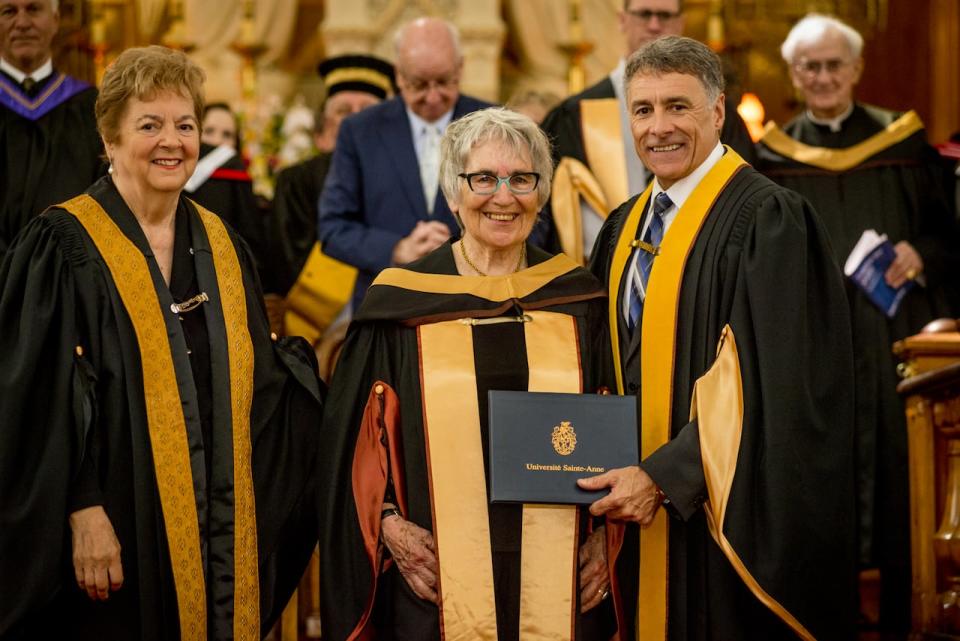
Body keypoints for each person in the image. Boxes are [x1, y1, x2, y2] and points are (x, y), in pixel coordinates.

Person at [0, 45, 323, 640]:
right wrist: (82, 506)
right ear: (110, 139)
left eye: (185, 124)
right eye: (149, 125)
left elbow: (262, 386)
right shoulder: (62, 245)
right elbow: (32, 400)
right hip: (117, 524)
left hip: (217, 523)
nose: (171, 141)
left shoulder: (223, 244)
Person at [582, 36, 856, 640]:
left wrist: (661, 477)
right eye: (643, 110)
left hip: (718, 520)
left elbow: (770, 381)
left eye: (678, 106)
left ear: (717, 110)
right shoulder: (623, 227)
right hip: (626, 511)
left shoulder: (768, 219)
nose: (660, 128)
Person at [318, 108, 616, 640]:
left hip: (562, 578)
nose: (503, 197)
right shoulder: (401, 304)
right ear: (453, 194)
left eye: (521, 179)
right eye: (483, 179)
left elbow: (614, 433)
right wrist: (386, 522)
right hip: (437, 582)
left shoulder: (578, 299)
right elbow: (355, 444)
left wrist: (607, 538)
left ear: (541, 192)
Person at [755, 14, 960, 635]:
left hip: (894, 342)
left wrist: (921, 254)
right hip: (815, 348)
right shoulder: (770, 159)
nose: (822, 77)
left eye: (833, 65)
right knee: (821, 473)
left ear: (856, 69)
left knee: (903, 473)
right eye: (810, 67)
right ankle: (824, 622)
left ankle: (910, 615)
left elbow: (950, 235)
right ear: (794, 75)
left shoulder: (905, 148)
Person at [540, 0, 756, 265]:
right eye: (644, 14)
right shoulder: (573, 116)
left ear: (681, 23)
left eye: (664, 15)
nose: (654, 25)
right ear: (622, 20)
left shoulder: (716, 113)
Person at [318, 17, 492, 311]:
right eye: (420, 84)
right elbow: (333, 227)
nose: (433, 96)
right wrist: (396, 249)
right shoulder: (360, 131)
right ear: (399, 76)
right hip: (386, 305)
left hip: (475, 302)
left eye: (445, 82)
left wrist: (469, 250)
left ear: (461, 68)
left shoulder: (494, 123)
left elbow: (533, 221)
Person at [269, 54, 393, 300]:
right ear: (321, 134)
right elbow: (286, 263)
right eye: (343, 111)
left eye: (368, 111)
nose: (356, 120)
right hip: (317, 326)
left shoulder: (407, 179)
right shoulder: (296, 181)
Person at [0, 0, 104, 256]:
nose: (22, 23)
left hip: (68, 276)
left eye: (33, 9)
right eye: (8, 11)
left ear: (55, 20)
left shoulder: (89, 105)